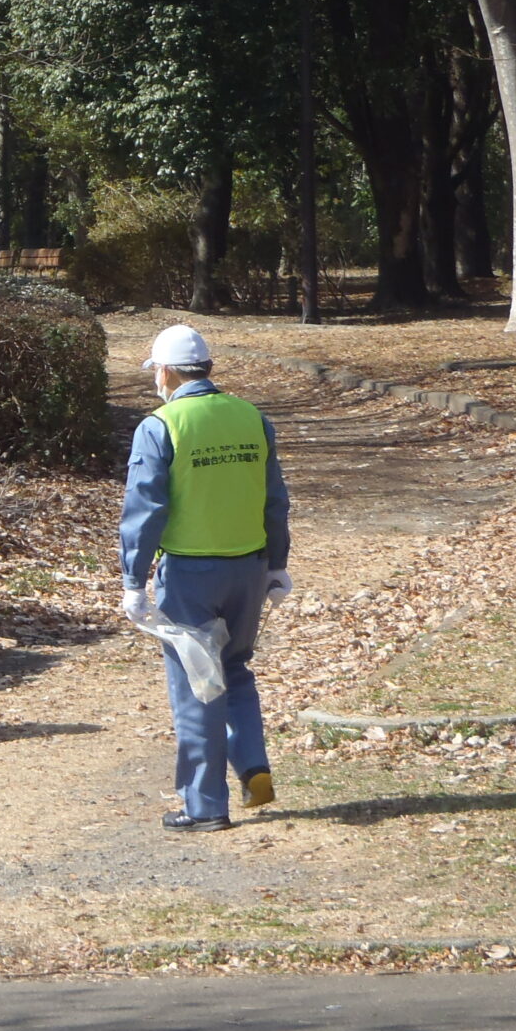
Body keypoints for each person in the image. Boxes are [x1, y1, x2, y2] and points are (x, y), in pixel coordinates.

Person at [120, 324, 290, 834]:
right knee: (234, 668)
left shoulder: (161, 425)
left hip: (190, 573)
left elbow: (145, 509)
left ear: (166, 372)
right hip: (249, 567)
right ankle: (253, 764)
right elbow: (274, 497)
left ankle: (204, 805)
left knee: (196, 685)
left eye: (156, 372)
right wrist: (277, 564)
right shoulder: (252, 417)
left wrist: (133, 580)